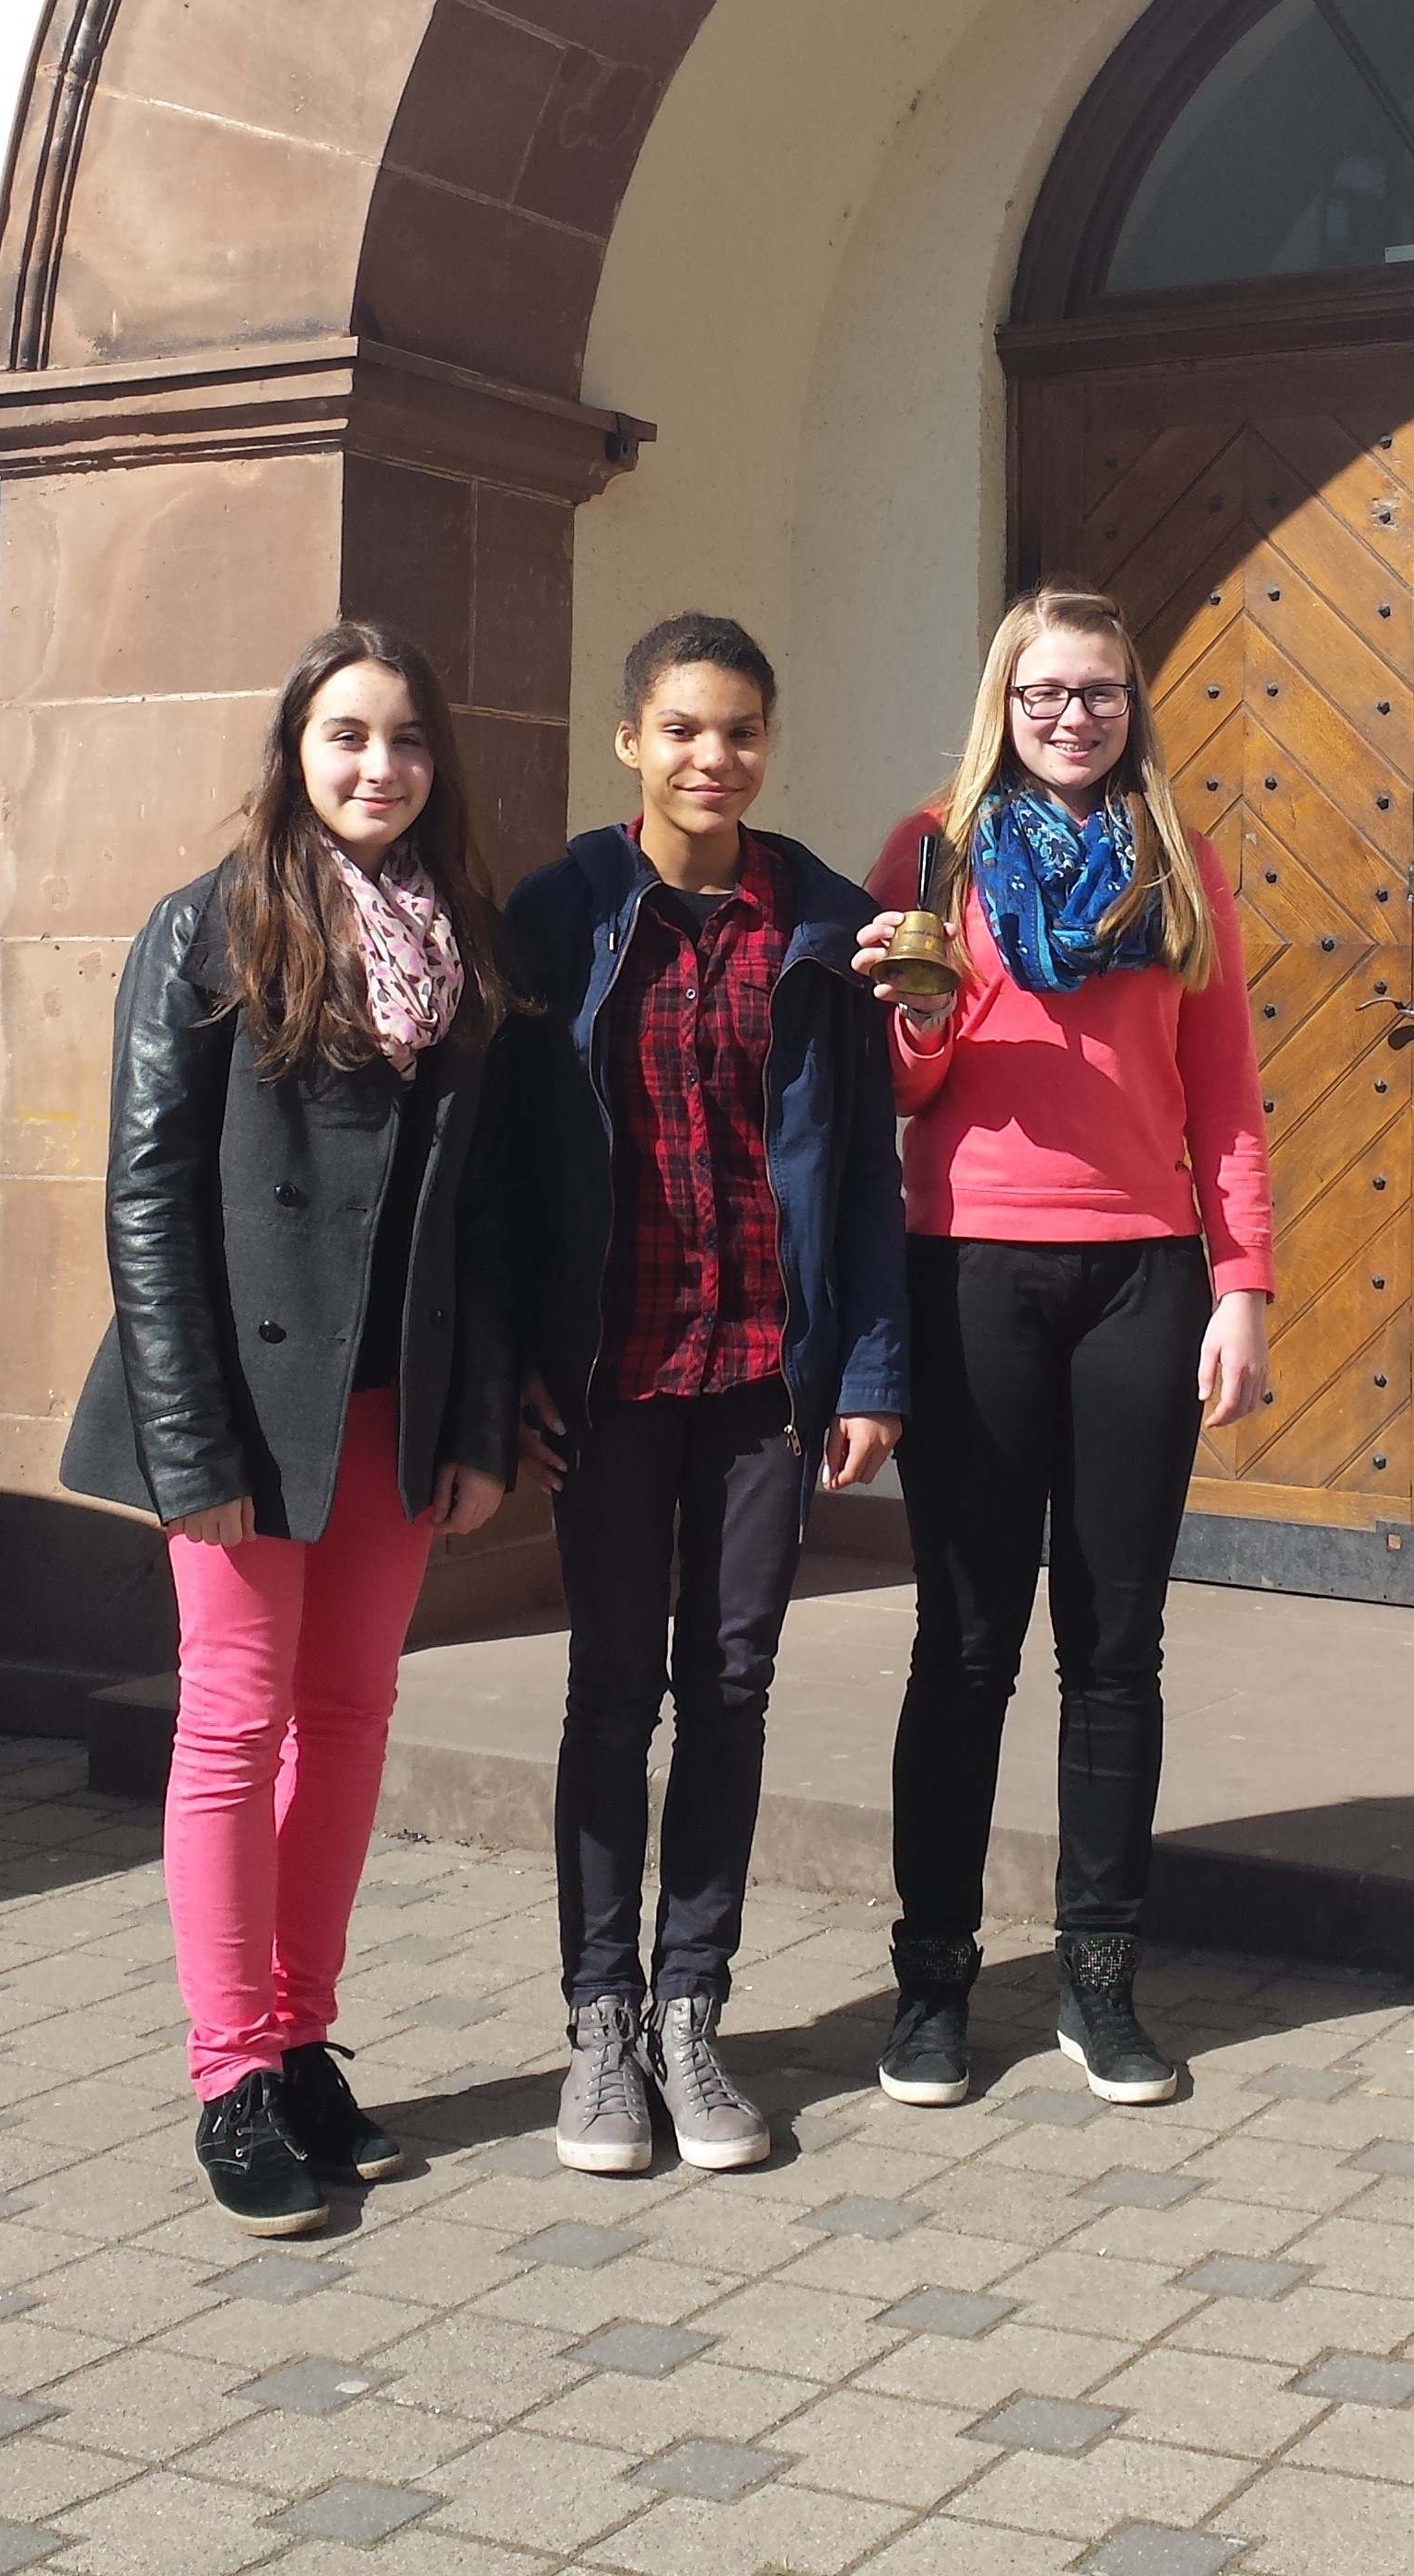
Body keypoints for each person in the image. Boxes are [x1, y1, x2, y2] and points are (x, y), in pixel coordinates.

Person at [61, 623, 526, 2235]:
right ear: (295, 752)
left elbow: (480, 1218)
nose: (378, 767)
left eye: (405, 739)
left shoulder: (462, 944)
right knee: (232, 1724)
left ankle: (304, 2040)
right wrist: (188, 1453)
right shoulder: (207, 927)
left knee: (349, 1716)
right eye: (346, 735)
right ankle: (231, 2075)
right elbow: (145, 1198)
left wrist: (478, 1425)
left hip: (397, 1405)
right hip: (244, 1416)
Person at [859, 586, 1272, 2109]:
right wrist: (912, 1019)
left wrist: (1242, 1285)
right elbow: (890, 1090)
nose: (1072, 717)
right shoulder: (930, 851)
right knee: (964, 1642)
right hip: (968, 1268)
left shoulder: (1177, 861)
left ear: (1130, 705)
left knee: (1112, 1646)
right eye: (1044, 693)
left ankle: (1099, 1978)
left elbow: (1222, 1091)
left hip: (1139, 1280)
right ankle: (933, 1982)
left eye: (1098, 692)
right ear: (1004, 701)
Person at [508, 612, 906, 2177]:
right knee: (612, 1687)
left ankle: (691, 2011)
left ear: (765, 744)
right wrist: (509, 1367)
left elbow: (858, 1167)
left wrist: (868, 1368)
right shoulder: (561, 913)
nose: (711, 757)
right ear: (631, 741)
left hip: (760, 1373)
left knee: (730, 1686)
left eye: (738, 730)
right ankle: (599, 2021)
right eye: (681, 729)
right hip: (609, 1370)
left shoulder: (823, 920)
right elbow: (502, 1163)